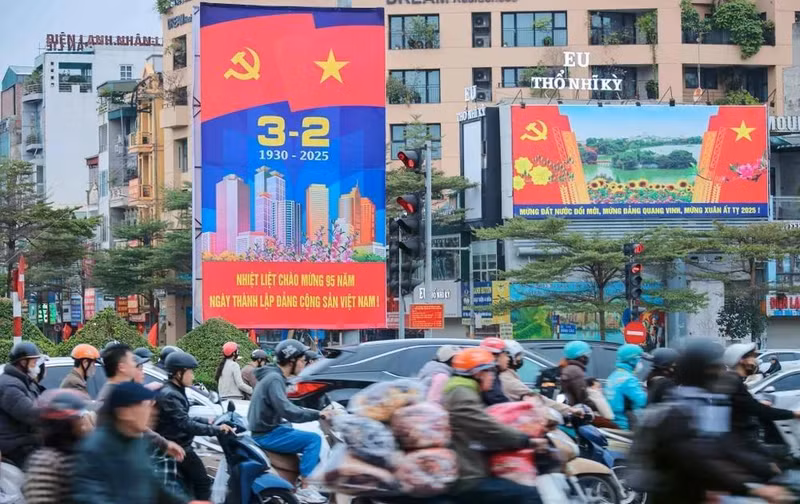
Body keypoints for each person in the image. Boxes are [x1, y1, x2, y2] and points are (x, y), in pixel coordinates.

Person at [628, 339, 790, 504]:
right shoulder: (680, 412)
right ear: (702, 371)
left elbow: (724, 445)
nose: (721, 372)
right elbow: (702, 458)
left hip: (704, 489)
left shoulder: (706, 403)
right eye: (715, 368)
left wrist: (763, 465)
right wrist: (753, 487)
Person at [441, 347, 543, 504]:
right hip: (468, 476)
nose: (492, 376)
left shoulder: (466, 390)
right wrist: (525, 440)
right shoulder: (462, 394)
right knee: (529, 495)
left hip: (472, 463)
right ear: (478, 373)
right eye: (490, 372)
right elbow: (487, 428)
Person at [71, 382, 190, 504]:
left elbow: (153, 486)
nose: (153, 412)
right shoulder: (93, 450)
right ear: (125, 412)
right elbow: (92, 498)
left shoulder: (137, 442)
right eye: (146, 406)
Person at [248, 339, 330, 504]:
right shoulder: (274, 379)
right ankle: (306, 488)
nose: (304, 364)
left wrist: (315, 409)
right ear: (291, 361)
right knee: (313, 439)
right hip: (266, 434)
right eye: (302, 360)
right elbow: (288, 411)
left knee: (307, 435)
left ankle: (302, 482)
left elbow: (289, 404)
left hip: (271, 429)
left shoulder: (275, 377)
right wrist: (318, 414)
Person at [155, 351, 234, 501]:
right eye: (190, 372)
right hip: (177, 448)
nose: (193, 376)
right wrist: (216, 429)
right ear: (178, 373)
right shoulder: (170, 394)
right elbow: (185, 424)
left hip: (180, 444)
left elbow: (182, 417)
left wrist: (209, 421)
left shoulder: (175, 390)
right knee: (203, 482)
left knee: (190, 484)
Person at [716, 343, 800, 481]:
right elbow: (758, 410)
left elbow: (745, 405)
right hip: (740, 444)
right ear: (742, 360)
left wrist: (758, 404)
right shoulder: (732, 381)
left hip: (742, 442)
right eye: (753, 357)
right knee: (776, 470)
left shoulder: (733, 380)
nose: (756, 361)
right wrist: (793, 414)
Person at [98, 343, 184, 461]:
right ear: (122, 367)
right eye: (132, 361)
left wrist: (165, 444)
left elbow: (139, 428)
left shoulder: (119, 391)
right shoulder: (113, 395)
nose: (135, 364)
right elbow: (137, 427)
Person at [22, 389, 91, 504]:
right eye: (78, 418)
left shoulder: (81, 453)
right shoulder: (46, 462)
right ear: (65, 424)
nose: (83, 423)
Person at [0, 342, 43, 467]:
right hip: (16, 448)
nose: (37, 366)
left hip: (27, 444)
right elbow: (30, 413)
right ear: (23, 363)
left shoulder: (25, 382)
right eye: (34, 362)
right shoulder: (9, 385)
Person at [605, 344, 648, 430]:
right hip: (626, 425)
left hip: (614, 423)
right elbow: (642, 401)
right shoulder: (628, 379)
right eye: (639, 360)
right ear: (632, 360)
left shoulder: (613, 376)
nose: (640, 363)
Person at [479, 337, 510, 405]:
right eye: (505, 355)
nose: (508, 359)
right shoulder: (489, 375)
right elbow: (498, 400)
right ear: (495, 357)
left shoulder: (492, 373)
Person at [560, 341, 592, 406]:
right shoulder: (575, 371)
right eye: (586, 355)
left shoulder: (568, 367)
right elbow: (582, 397)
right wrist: (595, 406)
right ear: (581, 357)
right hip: (574, 408)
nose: (588, 357)